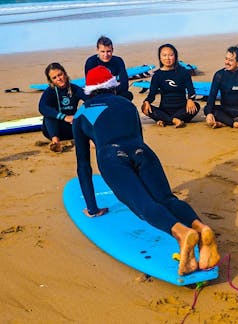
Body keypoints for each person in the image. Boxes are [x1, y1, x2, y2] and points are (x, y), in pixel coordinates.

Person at [72, 66, 220, 275]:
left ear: (89, 91)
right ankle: (202, 230)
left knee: (144, 205)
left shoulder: (80, 114)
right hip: (142, 151)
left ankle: (181, 233)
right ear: (113, 87)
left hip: (111, 157)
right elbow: (137, 138)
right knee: (167, 199)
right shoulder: (127, 104)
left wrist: (92, 208)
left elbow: (83, 165)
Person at [141, 44, 200, 128]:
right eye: (164, 55)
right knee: (144, 107)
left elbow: (191, 92)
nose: (167, 58)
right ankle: (173, 120)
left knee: (196, 106)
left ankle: (165, 120)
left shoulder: (184, 72)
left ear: (175, 56)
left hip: (182, 110)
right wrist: (146, 101)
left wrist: (190, 99)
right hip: (164, 110)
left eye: (171, 55)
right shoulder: (157, 75)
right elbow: (151, 95)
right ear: (160, 58)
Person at [203, 45, 238, 129]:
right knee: (207, 109)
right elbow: (212, 97)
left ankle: (225, 122)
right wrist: (209, 113)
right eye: (226, 59)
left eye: (230, 60)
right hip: (226, 109)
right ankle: (235, 123)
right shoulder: (219, 75)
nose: (227, 62)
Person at [38, 62, 87, 152]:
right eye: (54, 78)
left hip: (73, 127)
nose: (59, 79)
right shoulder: (50, 91)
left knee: (88, 108)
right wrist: (64, 117)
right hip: (54, 130)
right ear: (51, 81)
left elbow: (90, 100)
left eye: (60, 75)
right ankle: (56, 143)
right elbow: (42, 107)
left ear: (64, 73)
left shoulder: (75, 89)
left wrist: (80, 113)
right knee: (48, 116)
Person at [84, 36, 133, 101]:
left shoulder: (118, 61)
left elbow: (124, 85)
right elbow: (90, 87)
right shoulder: (91, 62)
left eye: (108, 51)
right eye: (102, 51)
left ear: (112, 50)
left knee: (128, 95)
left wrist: (112, 92)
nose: (106, 55)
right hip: (96, 95)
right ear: (97, 50)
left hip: (114, 92)